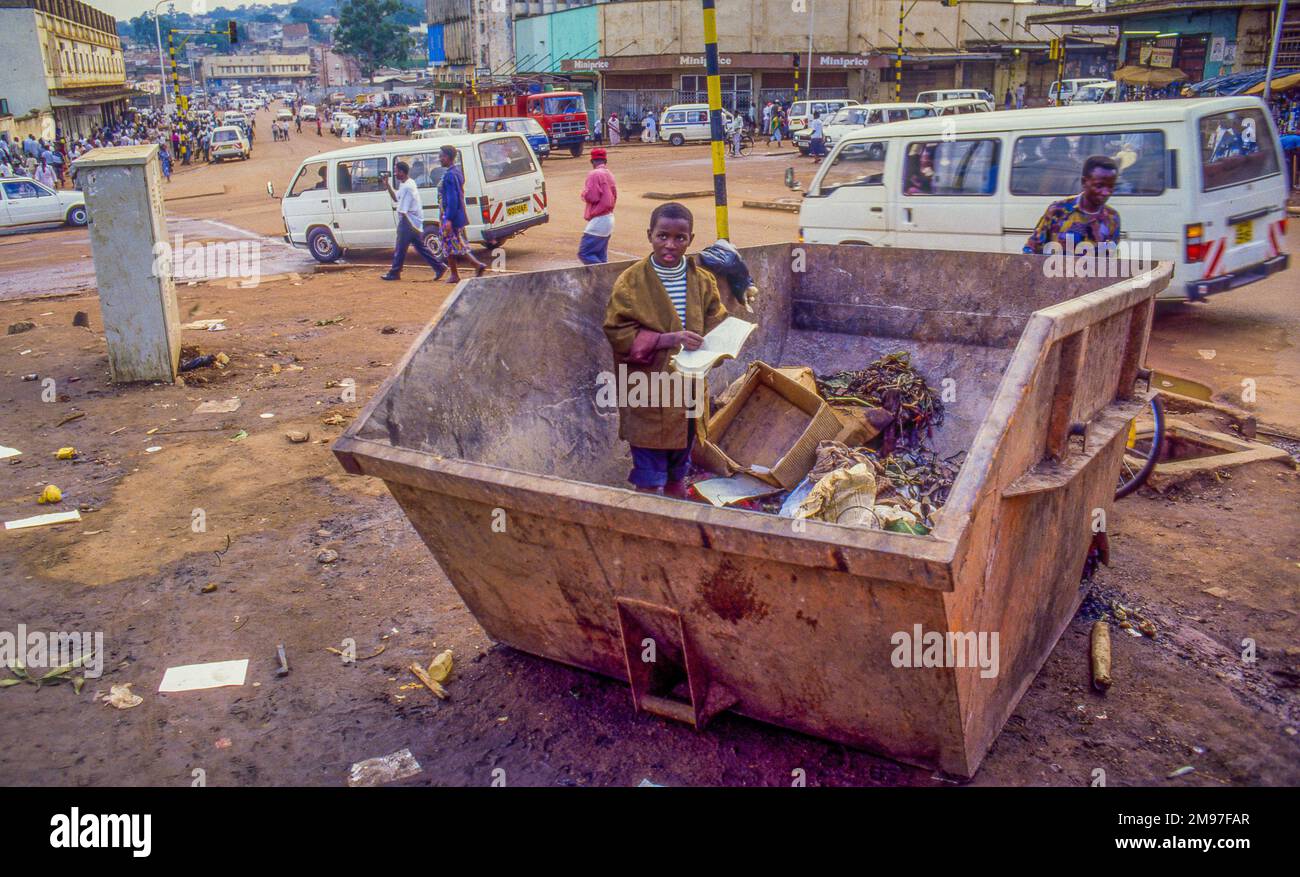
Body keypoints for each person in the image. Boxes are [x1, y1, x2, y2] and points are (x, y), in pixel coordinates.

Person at [602, 202, 728, 497]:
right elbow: (616, 331)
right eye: (662, 236)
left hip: (688, 395)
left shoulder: (702, 281)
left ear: (690, 240)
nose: (670, 245)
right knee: (648, 478)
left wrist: (720, 344)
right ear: (650, 235)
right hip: (648, 393)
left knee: (678, 474)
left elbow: (716, 323)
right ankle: (646, 531)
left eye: (680, 238)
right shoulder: (631, 282)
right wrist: (667, 340)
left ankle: (677, 528)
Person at [1023, 155, 1121, 255]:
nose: (1106, 192)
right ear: (1084, 182)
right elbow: (1031, 248)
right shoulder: (1058, 211)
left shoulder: (1112, 219)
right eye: (1099, 186)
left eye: (1111, 187)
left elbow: (1108, 261)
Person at [380, 160, 446, 282]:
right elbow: (396, 198)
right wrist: (388, 186)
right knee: (420, 248)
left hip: (408, 221)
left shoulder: (407, 187)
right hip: (414, 221)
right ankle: (439, 267)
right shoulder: (408, 183)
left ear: (402, 172)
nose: (395, 174)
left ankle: (395, 272)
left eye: (396, 171)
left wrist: (402, 225)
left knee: (400, 248)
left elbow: (402, 208)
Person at [435, 145, 488, 282]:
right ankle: (456, 273)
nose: (439, 159)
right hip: (454, 215)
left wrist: (448, 218)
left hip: (449, 215)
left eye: (441, 156)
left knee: (452, 243)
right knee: (452, 243)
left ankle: (474, 265)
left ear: (447, 157)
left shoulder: (449, 175)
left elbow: (452, 199)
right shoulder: (456, 172)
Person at [578, 146, 617, 264]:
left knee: (585, 253)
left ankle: (604, 277)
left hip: (599, 219)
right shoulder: (609, 174)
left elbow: (592, 196)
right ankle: (602, 280)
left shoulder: (594, 174)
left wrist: (583, 194)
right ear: (605, 161)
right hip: (609, 218)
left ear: (592, 161)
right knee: (600, 255)